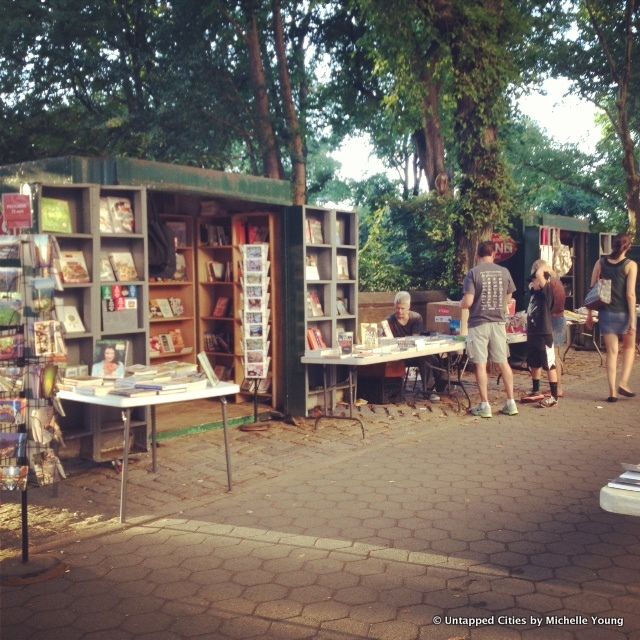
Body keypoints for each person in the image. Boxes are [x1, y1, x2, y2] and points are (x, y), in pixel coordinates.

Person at [461, 240, 517, 418]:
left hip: (478, 323)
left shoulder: (473, 273)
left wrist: (460, 304)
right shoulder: (505, 272)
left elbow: (468, 302)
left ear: (477, 255)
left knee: (480, 363)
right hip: (498, 323)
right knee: (503, 362)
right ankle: (511, 402)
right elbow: (509, 298)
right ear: (494, 255)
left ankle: (485, 405)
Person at [586, 233, 637, 402]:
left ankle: (612, 393)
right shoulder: (631, 265)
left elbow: (592, 291)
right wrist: (633, 319)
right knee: (629, 348)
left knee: (612, 353)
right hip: (624, 313)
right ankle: (623, 382)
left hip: (606, 314)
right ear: (628, 247)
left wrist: (589, 316)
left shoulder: (600, 263)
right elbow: (630, 294)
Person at [385, 291, 440, 401]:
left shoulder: (416, 318)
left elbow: (415, 339)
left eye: (402, 308)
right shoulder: (389, 320)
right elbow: (387, 341)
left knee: (428, 358)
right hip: (397, 355)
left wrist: (401, 342)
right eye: (397, 308)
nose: (399, 311)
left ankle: (428, 391)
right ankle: (392, 392)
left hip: (413, 353)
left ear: (409, 307)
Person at [521, 260, 559, 407]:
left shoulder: (547, 290)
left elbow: (539, 273)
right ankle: (536, 390)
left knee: (549, 364)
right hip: (534, 334)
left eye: (535, 280)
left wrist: (540, 268)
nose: (532, 282)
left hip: (544, 334)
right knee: (534, 363)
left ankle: (554, 396)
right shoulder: (534, 294)